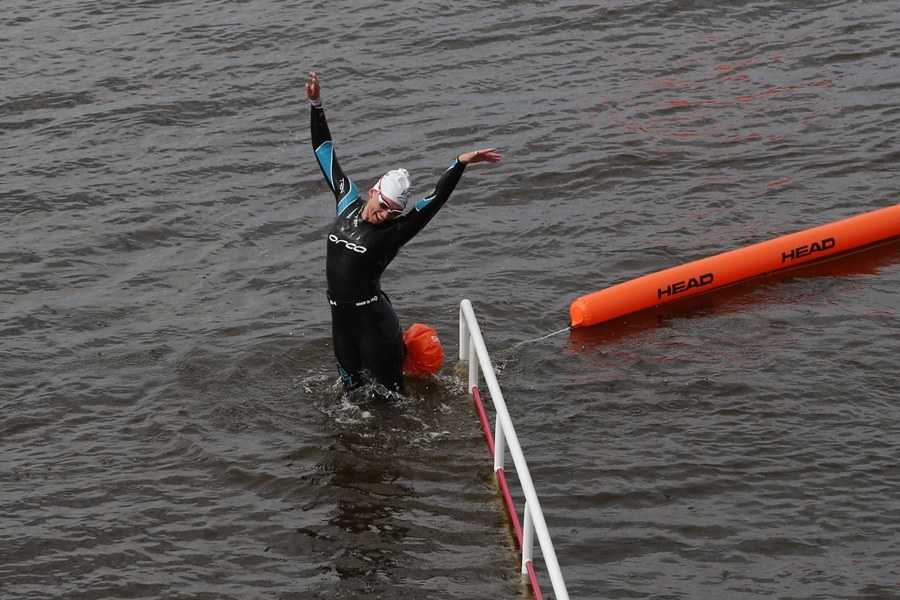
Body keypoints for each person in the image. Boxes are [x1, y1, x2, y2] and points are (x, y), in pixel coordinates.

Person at [306, 71, 501, 397]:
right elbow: (325, 152)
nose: (384, 215)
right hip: (341, 321)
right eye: (382, 206)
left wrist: (460, 163)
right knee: (347, 396)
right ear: (373, 191)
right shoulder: (346, 201)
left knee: (391, 402)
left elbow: (434, 200)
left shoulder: (394, 232)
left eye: (392, 212)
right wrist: (316, 103)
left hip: (375, 325)